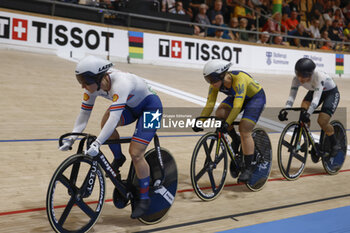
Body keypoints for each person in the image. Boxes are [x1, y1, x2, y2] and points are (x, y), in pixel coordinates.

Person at [59, 55, 162, 219]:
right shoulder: (92, 87)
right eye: (81, 82)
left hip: (151, 108)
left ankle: (144, 197)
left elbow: (115, 118)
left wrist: (98, 142)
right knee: (105, 122)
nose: (83, 87)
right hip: (131, 106)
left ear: (99, 78)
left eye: (85, 82)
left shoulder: (121, 83)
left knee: (136, 153)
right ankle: (118, 158)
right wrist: (71, 138)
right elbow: (84, 115)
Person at [194, 60, 266, 183]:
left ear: (222, 75)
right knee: (220, 113)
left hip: (255, 98)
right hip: (238, 98)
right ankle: (235, 139)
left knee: (244, 129)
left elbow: (238, 106)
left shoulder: (239, 79)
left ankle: (248, 169)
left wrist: (227, 123)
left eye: (212, 79)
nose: (210, 83)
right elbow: (210, 103)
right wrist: (201, 120)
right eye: (208, 80)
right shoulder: (216, 84)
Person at [279, 58, 341, 157]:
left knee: (322, 121)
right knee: (303, 109)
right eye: (298, 75)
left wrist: (309, 113)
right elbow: (292, 96)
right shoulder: (296, 79)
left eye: (304, 76)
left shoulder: (318, 77)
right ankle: (307, 139)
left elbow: (316, 99)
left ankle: (334, 144)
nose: (301, 79)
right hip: (314, 90)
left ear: (311, 74)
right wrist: (286, 110)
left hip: (330, 93)